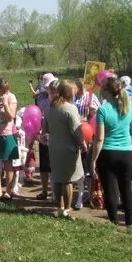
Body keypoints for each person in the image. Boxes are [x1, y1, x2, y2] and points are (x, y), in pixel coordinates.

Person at [91, 76, 132, 227]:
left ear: (106, 91)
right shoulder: (129, 107)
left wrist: (93, 160)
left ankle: (113, 222)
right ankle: (129, 223)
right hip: (125, 153)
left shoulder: (103, 110)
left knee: (110, 190)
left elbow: (99, 139)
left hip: (108, 153)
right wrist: (123, 130)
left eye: (102, 87)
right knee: (126, 188)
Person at [44, 80, 86, 219]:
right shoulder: (70, 108)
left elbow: (45, 129)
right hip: (68, 149)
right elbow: (76, 130)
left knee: (57, 178)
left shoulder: (50, 107)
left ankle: (59, 207)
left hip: (54, 148)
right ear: (69, 93)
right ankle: (67, 209)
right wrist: (83, 143)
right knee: (68, 180)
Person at [0, 78, 19, 199]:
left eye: (4, 91)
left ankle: (9, 191)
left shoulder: (11, 97)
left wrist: (5, 103)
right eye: (0, 91)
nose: (1, 93)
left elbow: (11, 117)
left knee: (8, 162)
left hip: (7, 134)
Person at [35, 73, 56, 201]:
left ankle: (55, 192)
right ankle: (44, 190)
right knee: (44, 165)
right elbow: (37, 114)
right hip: (44, 134)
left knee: (54, 165)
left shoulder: (59, 97)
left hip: (56, 134)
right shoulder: (41, 98)